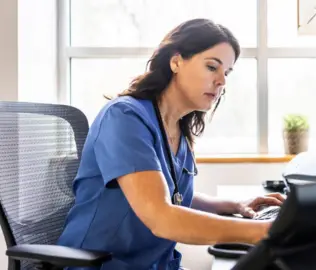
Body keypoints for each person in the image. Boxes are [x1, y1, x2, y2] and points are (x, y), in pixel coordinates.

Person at [57, 18, 285, 270]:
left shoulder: (178, 128)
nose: (222, 81)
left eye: (227, 72)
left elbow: (170, 193)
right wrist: (260, 230)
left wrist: (233, 205)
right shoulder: (124, 117)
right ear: (176, 61)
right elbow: (161, 217)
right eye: (212, 67)